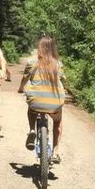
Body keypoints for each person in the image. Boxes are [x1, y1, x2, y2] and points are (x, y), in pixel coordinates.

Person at [18, 35, 66, 163]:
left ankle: (32, 130)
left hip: (36, 101)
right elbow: (63, 80)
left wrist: (21, 88)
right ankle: (56, 151)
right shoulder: (58, 64)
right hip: (54, 104)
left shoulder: (32, 62)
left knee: (31, 108)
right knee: (58, 122)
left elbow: (25, 79)